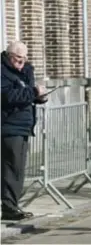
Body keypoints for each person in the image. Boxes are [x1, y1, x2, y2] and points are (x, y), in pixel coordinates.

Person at [1, 41, 48, 220]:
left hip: (23, 124)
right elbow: (6, 96)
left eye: (23, 60)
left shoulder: (27, 70)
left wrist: (39, 97)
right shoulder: (3, 71)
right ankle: (9, 207)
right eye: (17, 59)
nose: (20, 64)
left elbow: (28, 93)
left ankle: (11, 204)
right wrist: (33, 92)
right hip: (9, 125)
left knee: (16, 167)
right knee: (12, 166)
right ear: (8, 55)